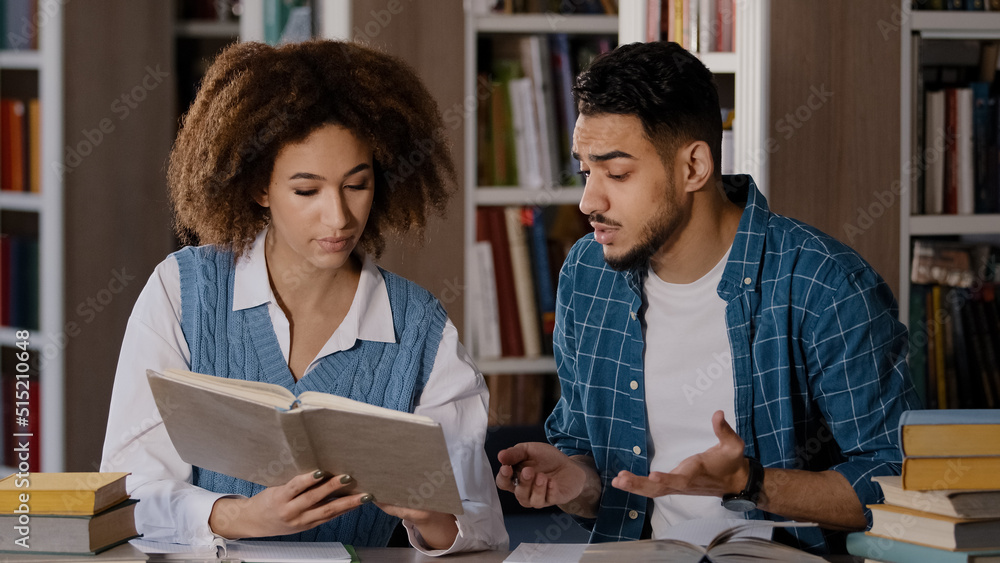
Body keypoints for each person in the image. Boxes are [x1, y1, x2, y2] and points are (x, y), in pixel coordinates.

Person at [495, 41, 919, 554]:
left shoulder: (823, 283)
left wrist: (751, 483)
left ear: (694, 166)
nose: (589, 201)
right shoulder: (587, 274)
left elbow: (898, 480)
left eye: (617, 173)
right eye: (586, 171)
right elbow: (592, 466)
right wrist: (574, 481)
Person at [100, 40, 507, 554]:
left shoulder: (420, 328)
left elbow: (484, 535)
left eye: (356, 185)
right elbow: (130, 494)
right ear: (258, 188)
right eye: (307, 191)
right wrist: (243, 516)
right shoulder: (183, 292)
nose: (338, 218)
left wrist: (431, 516)